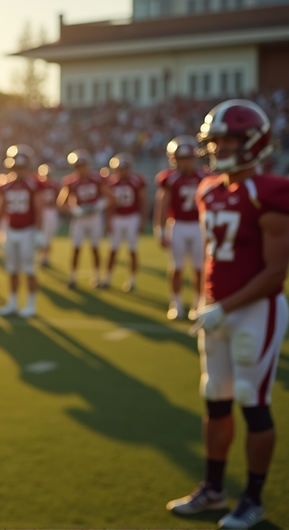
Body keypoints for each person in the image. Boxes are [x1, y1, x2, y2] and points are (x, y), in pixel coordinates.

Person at [167, 99, 289, 529]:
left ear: (254, 143)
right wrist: (207, 302)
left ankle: (253, 499)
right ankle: (214, 489)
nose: (218, 149)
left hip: (256, 310)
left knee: (252, 403)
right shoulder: (208, 189)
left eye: (228, 140)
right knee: (214, 399)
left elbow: (276, 271)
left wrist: (225, 307)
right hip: (217, 310)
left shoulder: (269, 191)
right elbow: (214, 258)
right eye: (214, 141)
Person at [154, 135, 207, 320]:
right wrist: (159, 230)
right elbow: (162, 205)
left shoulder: (204, 177)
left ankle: (198, 303)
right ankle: (176, 303)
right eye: (182, 159)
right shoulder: (170, 179)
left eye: (188, 158)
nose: (186, 163)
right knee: (177, 267)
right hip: (177, 225)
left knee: (200, 268)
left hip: (199, 226)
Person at [0, 145, 43, 317]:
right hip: (10, 230)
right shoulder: (5, 186)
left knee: (29, 269)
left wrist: (40, 232)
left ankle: (31, 304)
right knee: (12, 270)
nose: (19, 171)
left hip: (28, 231)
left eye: (22, 167)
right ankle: (12, 302)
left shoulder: (33, 185)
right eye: (16, 167)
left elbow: (39, 209)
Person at [58, 150, 108, 289]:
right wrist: (75, 210)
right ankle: (72, 277)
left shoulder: (97, 179)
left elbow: (110, 197)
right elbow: (61, 203)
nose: (81, 169)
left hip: (94, 218)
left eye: (83, 165)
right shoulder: (71, 181)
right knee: (76, 248)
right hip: (80, 219)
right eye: (78, 166)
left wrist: (99, 205)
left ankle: (97, 277)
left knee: (95, 248)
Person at [104, 153, 147, 292]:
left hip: (132, 217)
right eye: (120, 168)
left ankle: (132, 280)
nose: (122, 171)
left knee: (132, 250)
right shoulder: (111, 182)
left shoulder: (135, 181)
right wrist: (108, 220)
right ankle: (108, 278)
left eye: (125, 168)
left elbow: (143, 201)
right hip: (117, 218)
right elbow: (109, 204)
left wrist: (142, 220)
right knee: (113, 250)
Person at [36, 164, 60, 267]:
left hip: (52, 210)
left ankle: (45, 257)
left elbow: (59, 199)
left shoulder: (55, 186)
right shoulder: (38, 185)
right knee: (41, 235)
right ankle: (40, 256)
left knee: (49, 235)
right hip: (43, 210)